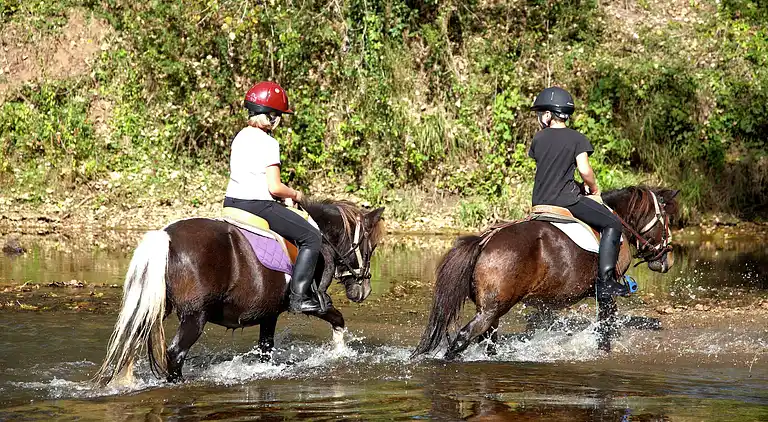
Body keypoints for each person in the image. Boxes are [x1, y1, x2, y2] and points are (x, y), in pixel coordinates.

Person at [223, 81, 323, 313]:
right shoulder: (269, 142)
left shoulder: (240, 136)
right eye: (278, 116)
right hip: (258, 206)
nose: (278, 121)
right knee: (312, 236)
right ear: (271, 117)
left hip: (232, 203)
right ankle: (298, 297)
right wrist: (296, 194)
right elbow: (274, 187)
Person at [528, 86, 629, 299]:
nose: (539, 118)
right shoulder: (577, 138)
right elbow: (584, 170)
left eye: (540, 113)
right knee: (613, 223)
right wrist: (593, 188)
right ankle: (607, 281)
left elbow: (552, 170)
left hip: (539, 202)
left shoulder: (538, 139)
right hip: (567, 201)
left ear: (548, 115)